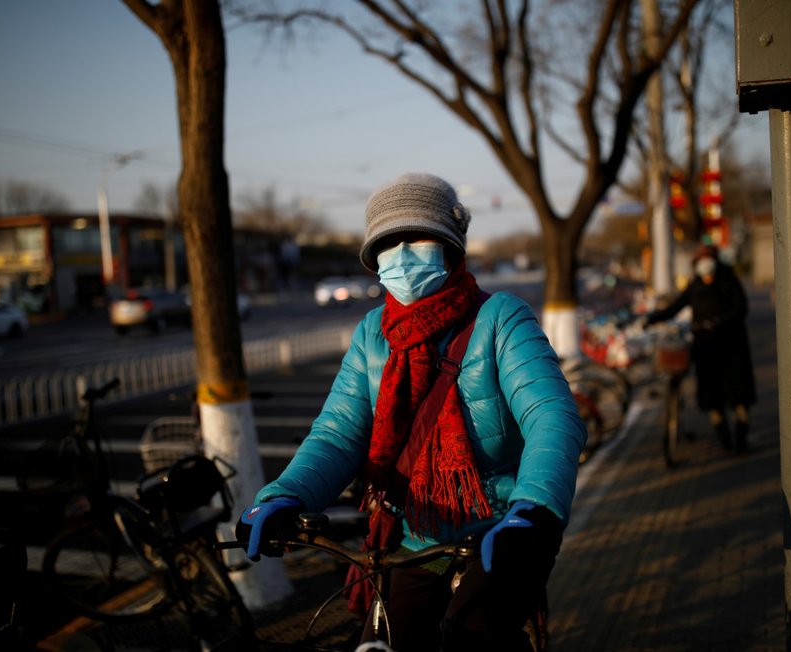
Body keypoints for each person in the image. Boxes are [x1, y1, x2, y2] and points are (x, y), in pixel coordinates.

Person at [238, 172, 587, 651]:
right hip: (413, 538)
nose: (402, 255)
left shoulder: (501, 317)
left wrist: (535, 509)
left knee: (472, 636)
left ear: (451, 247)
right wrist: (286, 495)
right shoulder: (371, 334)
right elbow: (338, 435)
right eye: (389, 242)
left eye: (417, 237)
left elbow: (552, 415)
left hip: (504, 528)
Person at [644, 243, 756, 454]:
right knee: (712, 396)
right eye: (701, 260)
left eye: (708, 259)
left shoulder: (729, 280)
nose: (705, 264)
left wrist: (719, 322)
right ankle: (725, 441)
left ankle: (742, 439)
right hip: (705, 349)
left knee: (739, 395)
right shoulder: (695, 285)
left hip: (733, 347)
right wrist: (653, 318)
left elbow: (741, 308)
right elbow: (676, 306)